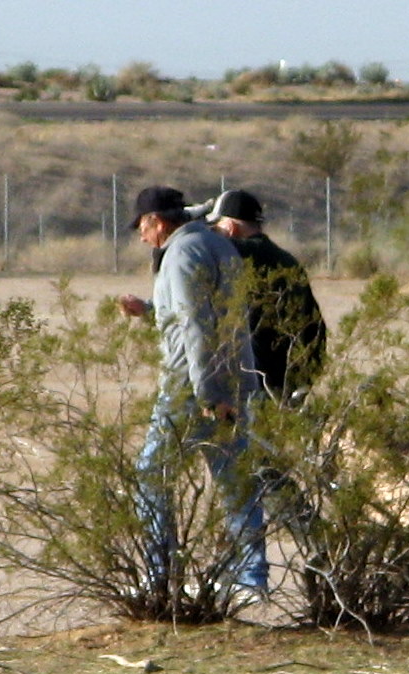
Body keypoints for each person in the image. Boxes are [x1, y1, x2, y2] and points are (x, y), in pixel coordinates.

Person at [119, 185, 268, 601]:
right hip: (233, 379)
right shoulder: (214, 244)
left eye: (141, 227)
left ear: (157, 221)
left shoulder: (182, 253)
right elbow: (200, 315)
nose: (141, 236)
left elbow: (197, 327)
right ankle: (250, 577)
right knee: (235, 478)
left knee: (152, 473)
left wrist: (207, 394)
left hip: (194, 386)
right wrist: (149, 312)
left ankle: (158, 574)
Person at [204, 189, 326, 404]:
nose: (214, 233)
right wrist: (304, 380)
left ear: (230, 228)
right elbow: (315, 326)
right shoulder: (286, 259)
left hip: (253, 378)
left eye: (217, 227)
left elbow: (199, 248)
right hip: (288, 376)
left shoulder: (235, 252)